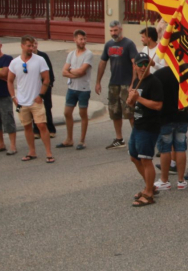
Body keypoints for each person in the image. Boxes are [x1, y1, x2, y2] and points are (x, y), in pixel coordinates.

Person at [7, 35, 54, 163]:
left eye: (32, 46)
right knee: (27, 127)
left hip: (36, 100)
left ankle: (49, 153)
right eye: (28, 46)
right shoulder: (15, 62)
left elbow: (46, 79)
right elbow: (10, 80)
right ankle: (32, 151)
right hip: (22, 101)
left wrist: (41, 95)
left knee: (41, 125)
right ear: (22, 46)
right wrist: (13, 97)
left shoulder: (40, 60)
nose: (31, 48)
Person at [126, 52, 164, 207]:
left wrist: (138, 98)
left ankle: (149, 194)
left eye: (145, 64)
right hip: (138, 124)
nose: (142, 67)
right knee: (134, 157)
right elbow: (133, 102)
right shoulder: (137, 81)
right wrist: (130, 100)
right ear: (135, 66)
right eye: (139, 64)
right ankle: (150, 186)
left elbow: (158, 105)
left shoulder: (154, 82)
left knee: (146, 159)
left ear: (149, 65)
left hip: (149, 126)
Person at [96, 20, 138, 149]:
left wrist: (133, 84)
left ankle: (137, 139)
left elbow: (134, 64)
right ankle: (119, 139)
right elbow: (102, 63)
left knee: (130, 113)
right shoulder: (108, 45)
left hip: (126, 84)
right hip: (114, 83)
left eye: (115, 30)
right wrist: (98, 82)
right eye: (111, 31)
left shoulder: (129, 44)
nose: (113, 33)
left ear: (120, 30)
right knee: (115, 112)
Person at [153, 60, 188, 192]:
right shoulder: (186, 73)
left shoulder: (158, 74)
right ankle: (181, 180)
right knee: (180, 147)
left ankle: (164, 180)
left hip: (165, 117)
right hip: (182, 116)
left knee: (165, 149)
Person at [61, 30, 93, 150]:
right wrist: (73, 72)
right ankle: (69, 139)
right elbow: (64, 72)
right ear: (74, 39)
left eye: (84, 39)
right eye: (80, 39)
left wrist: (71, 70)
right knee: (67, 112)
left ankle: (82, 140)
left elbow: (82, 71)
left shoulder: (88, 54)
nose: (83, 41)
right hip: (72, 88)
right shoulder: (71, 54)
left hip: (83, 89)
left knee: (82, 114)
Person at [32, 39, 57, 139]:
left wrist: (50, 84)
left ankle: (51, 129)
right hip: (34, 87)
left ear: (37, 45)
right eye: (31, 45)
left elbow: (49, 71)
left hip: (45, 86)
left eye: (34, 44)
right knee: (34, 108)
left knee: (47, 107)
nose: (33, 47)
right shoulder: (28, 58)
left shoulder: (43, 56)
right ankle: (36, 130)